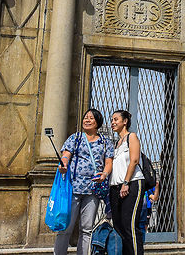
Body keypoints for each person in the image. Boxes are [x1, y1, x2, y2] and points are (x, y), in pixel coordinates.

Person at [54, 109, 114, 255]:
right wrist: (64, 164)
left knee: (86, 229)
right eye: (85, 117)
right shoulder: (76, 138)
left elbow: (108, 163)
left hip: (93, 190)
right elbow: (66, 155)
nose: (87, 120)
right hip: (73, 189)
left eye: (91, 118)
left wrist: (104, 174)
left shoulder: (105, 142)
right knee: (65, 228)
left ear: (97, 122)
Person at [108, 109, 146, 255]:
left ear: (125, 121)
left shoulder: (132, 137)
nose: (112, 122)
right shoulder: (116, 143)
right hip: (115, 187)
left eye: (116, 119)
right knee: (119, 226)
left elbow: (134, 160)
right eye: (112, 120)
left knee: (129, 225)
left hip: (132, 184)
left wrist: (126, 182)